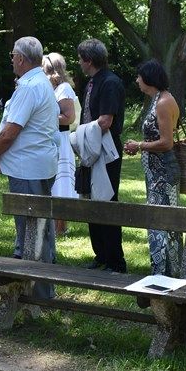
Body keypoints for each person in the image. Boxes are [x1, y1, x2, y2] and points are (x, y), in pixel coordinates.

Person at [0, 37, 59, 298]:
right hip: (37, 165)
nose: (12, 61)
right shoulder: (41, 83)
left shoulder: (29, 87)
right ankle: (42, 287)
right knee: (39, 227)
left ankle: (37, 291)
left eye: (12, 56)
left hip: (28, 168)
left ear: (20, 58)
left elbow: (10, 132)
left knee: (31, 229)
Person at [123, 60, 181, 276]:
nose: (137, 80)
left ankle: (165, 274)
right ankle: (165, 271)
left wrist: (139, 145)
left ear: (149, 78)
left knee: (161, 222)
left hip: (162, 173)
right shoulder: (158, 99)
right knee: (160, 222)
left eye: (139, 76)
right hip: (156, 172)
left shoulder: (163, 102)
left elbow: (167, 142)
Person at [76, 38, 126, 272]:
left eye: (80, 59)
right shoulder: (92, 83)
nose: (79, 63)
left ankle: (115, 260)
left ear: (89, 60)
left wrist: (80, 133)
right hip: (89, 147)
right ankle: (101, 254)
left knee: (106, 201)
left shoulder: (110, 82)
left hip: (106, 151)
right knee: (91, 202)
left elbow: (106, 121)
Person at [42, 52, 78, 236]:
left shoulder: (64, 88)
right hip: (52, 139)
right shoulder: (52, 89)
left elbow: (69, 117)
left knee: (61, 183)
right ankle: (54, 224)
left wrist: (44, 117)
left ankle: (60, 227)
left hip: (62, 141)